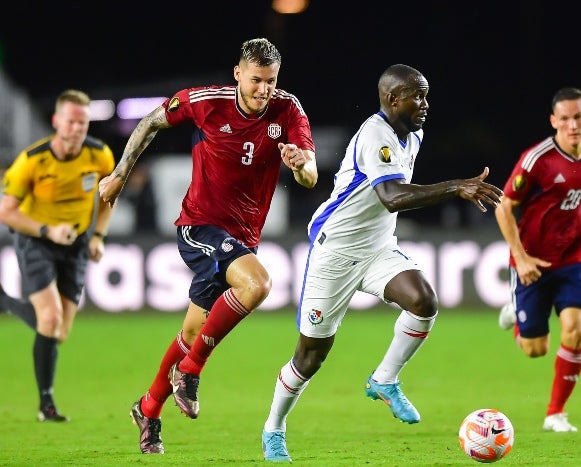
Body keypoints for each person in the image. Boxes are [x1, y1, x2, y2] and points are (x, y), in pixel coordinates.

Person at [259, 63, 504, 462]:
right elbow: (392, 196)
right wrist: (456, 186)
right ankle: (274, 428)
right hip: (335, 252)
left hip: (376, 249)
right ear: (392, 99)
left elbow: (392, 198)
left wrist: (452, 187)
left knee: (424, 301)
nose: (425, 104)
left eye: (426, 95)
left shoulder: (414, 134)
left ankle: (384, 379)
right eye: (417, 96)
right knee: (310, 357)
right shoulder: (376, 135)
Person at [98, 37, 318, 454]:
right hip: (199, 226)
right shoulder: (205, 101)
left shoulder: (288, 109)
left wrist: (300, 164)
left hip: (240, 238)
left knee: (191, 332)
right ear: (238, 74)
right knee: (257, 285)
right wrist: (120, 174)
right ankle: (192, 370)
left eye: (270, 81)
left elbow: (310, 175)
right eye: (256, 80)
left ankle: (148, 408)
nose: (263, 90)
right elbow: (149, 123)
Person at [495, 87, 581, 433]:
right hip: (533, 261)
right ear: (554, 121)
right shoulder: (537, 159)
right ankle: (517, 317)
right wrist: (521, 258)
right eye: (565, 118)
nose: (573, 124)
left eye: (578, 117)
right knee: (534, 349)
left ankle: (556, 413)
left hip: (575, 257)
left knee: (575, 329)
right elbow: (504, 207)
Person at [0, 89, 115, 422]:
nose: (77, 128)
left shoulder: (100, 155)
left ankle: (5, 302)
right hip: (36, 240)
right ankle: (46, 404)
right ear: (56, 122)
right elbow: (6, 211)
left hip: (77, 243)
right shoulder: (32, 160)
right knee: (48, 319)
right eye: (71, 121)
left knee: (59, 332)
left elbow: (108, 197)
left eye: (83, 122)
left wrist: (97, 235)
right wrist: (47, 231)